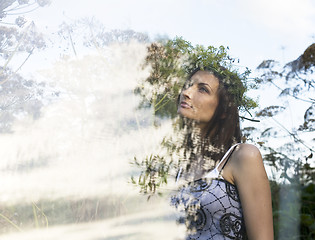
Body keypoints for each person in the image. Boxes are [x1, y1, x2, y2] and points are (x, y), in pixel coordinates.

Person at [171, 67, 274, 240]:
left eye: (203, 89)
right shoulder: (178, 165)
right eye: (188, 85)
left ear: (224, 110)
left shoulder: (242, 156)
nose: (186, 92)